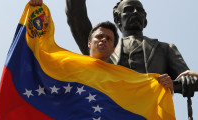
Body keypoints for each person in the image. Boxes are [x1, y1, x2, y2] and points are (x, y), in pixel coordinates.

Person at [29, 0, 173, 92]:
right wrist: (37, 10)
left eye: (140, 10)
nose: (135, 13)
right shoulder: (102, 50)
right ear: (118, 19)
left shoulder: (165, 49)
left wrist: (178, 82)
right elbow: (76, 16)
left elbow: (189, 78)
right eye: (128, 9)